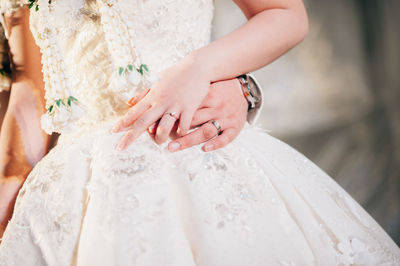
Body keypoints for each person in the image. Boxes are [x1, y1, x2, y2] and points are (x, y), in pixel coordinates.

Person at [0, 0, 399, 265]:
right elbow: (30, 91)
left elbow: (285, 12)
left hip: (190, 151)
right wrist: (7, 189)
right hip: (75, 183)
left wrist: (204, 68)